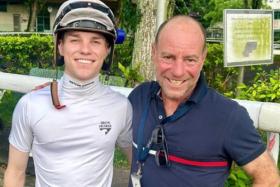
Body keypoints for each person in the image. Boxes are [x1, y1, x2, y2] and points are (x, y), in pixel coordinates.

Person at [128, 15, 280, 187]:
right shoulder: (139, 97)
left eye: (190, 60)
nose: (178, 71)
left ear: (203, 58)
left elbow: (269, 178)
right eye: (168, 57)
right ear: (153, 52)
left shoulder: (228, 116)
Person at [4, 0, 132, 186]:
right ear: (60, 46)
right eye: (75, 39)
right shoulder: (30, 105)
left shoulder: (121, 107)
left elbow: (140, 167)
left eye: (96, 41)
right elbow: (15, 173)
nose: (85, 50)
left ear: (108, 50)